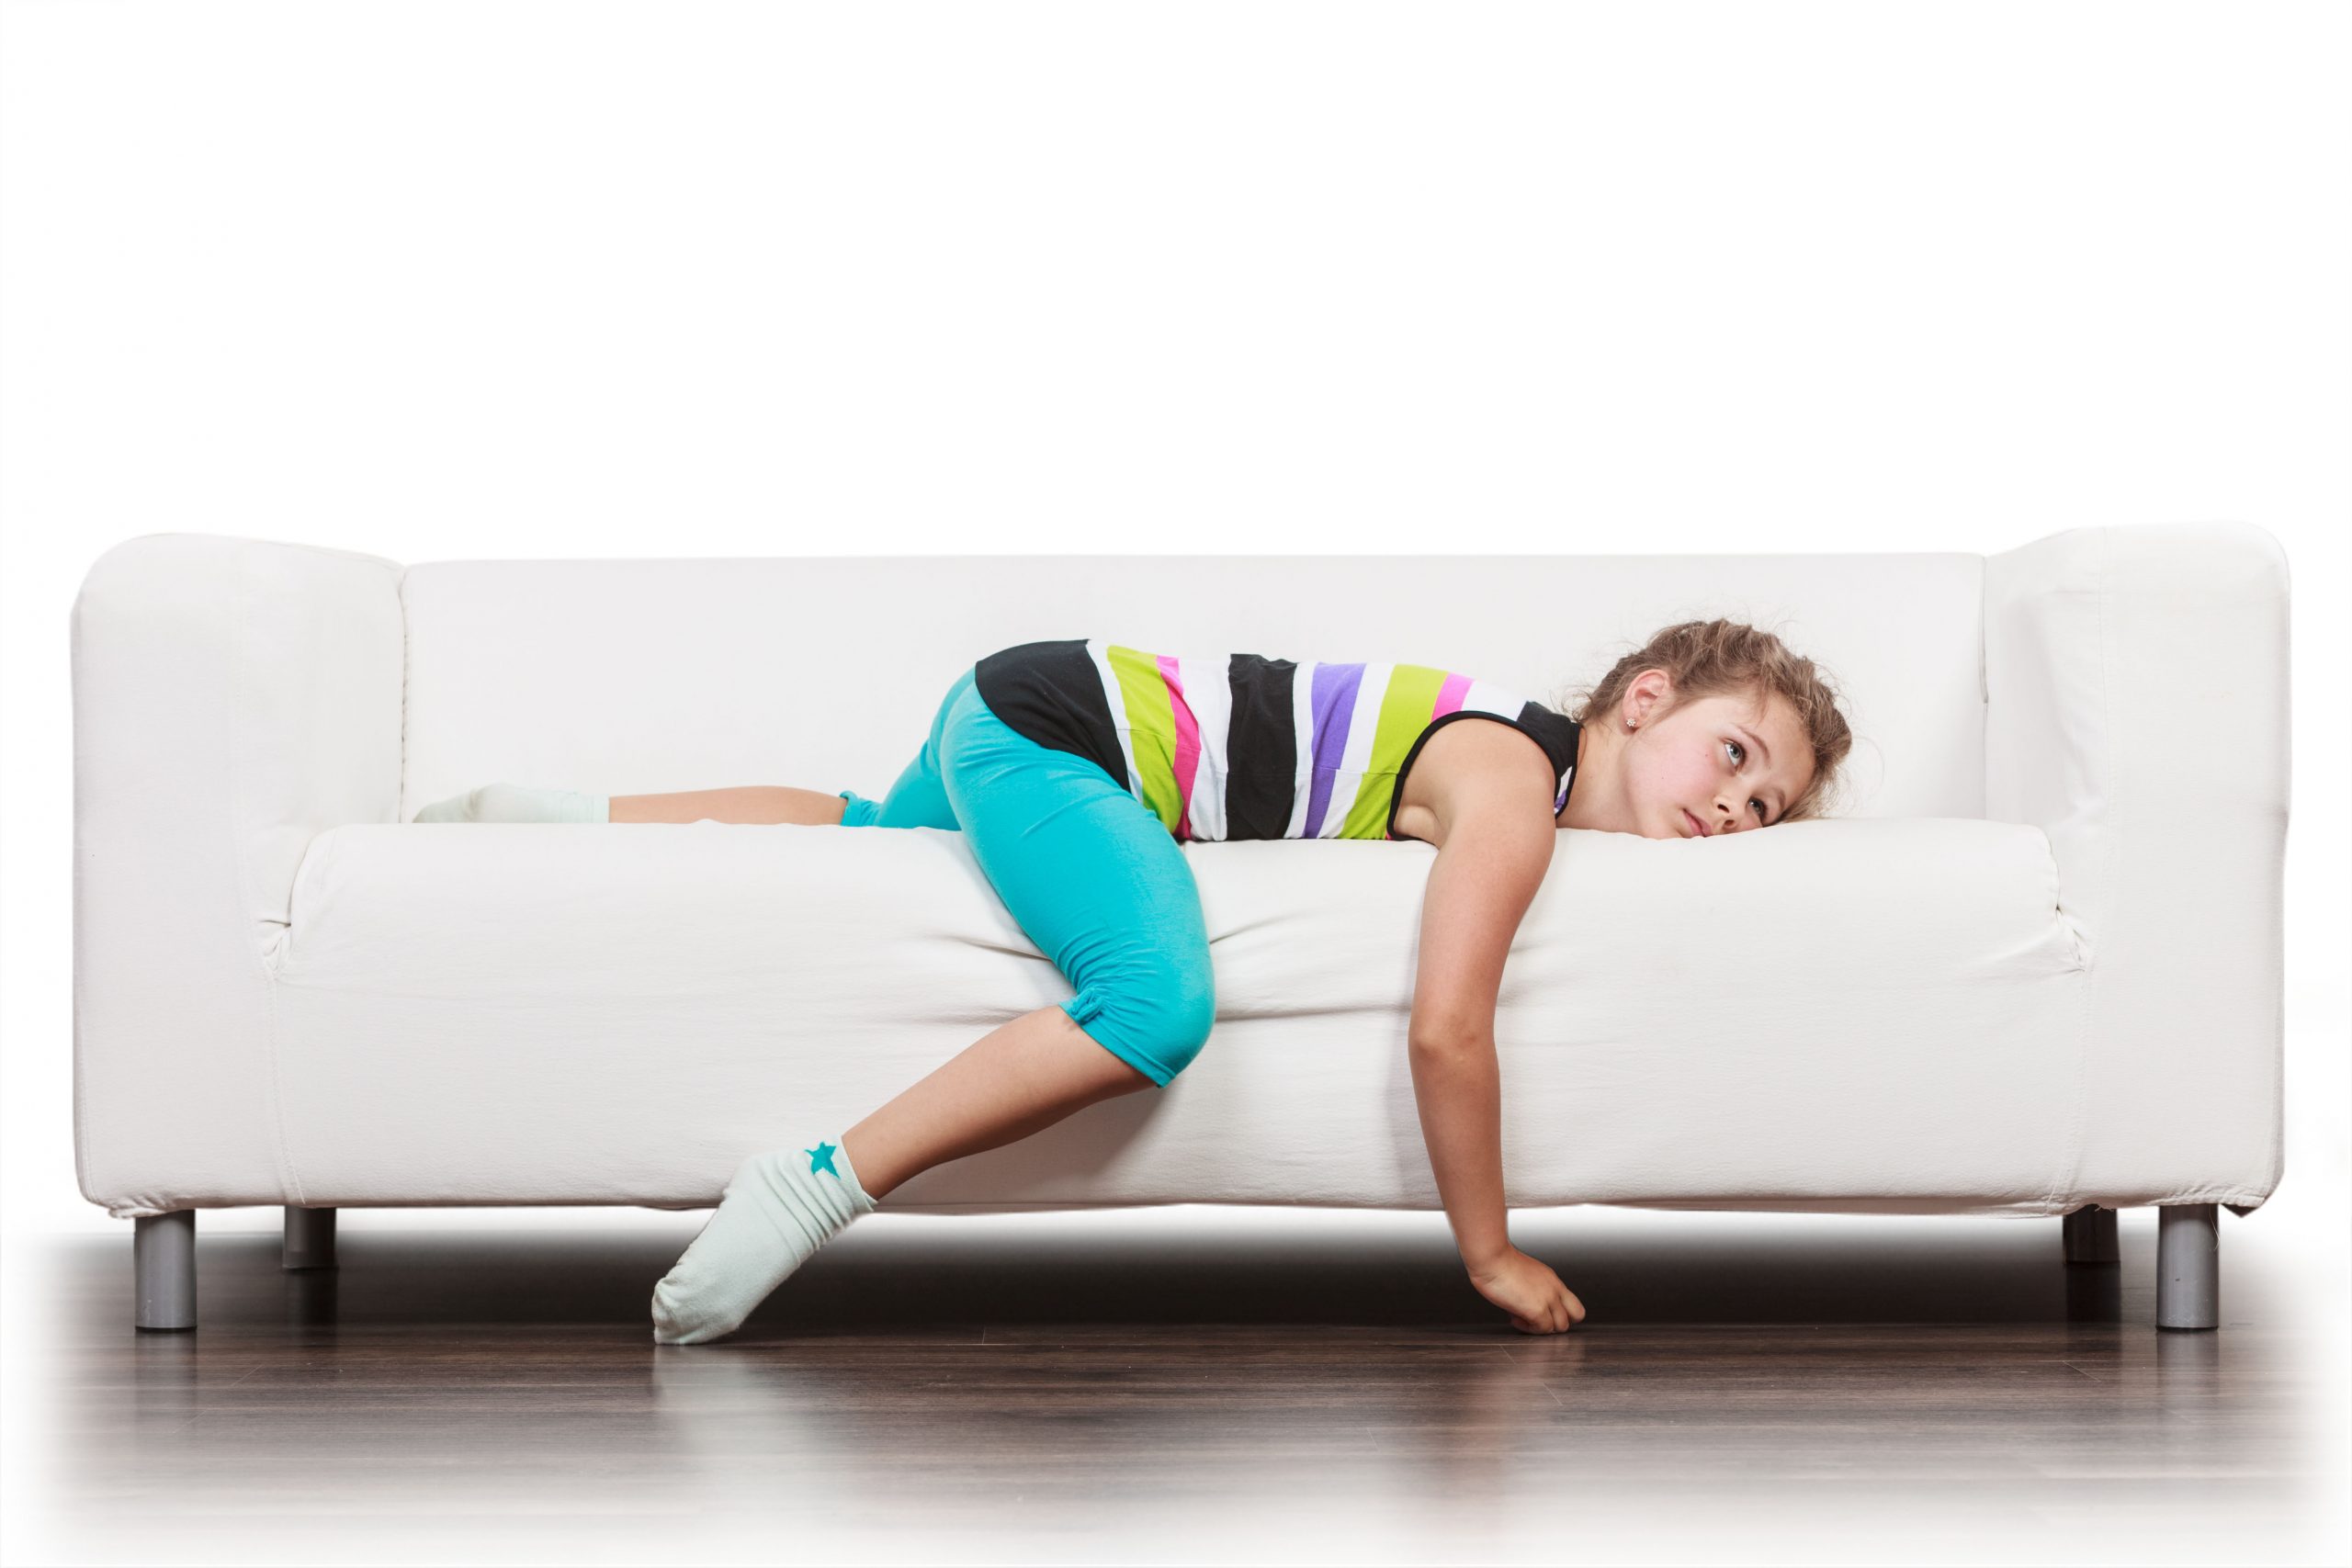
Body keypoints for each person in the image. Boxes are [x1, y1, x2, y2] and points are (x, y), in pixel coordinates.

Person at [415, 620, 1851, 1345]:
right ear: (1644, 699)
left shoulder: (1510, 756)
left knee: (873, 834)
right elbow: (1449, 1029)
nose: (1737, 807)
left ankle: (552, 821)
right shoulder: (1513, 784)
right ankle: (811, 1188)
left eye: (1767, 806)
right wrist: (1490, 1254)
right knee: (1154, 1003)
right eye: (1733, 755)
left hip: (1022, 692)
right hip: (1052, 729)